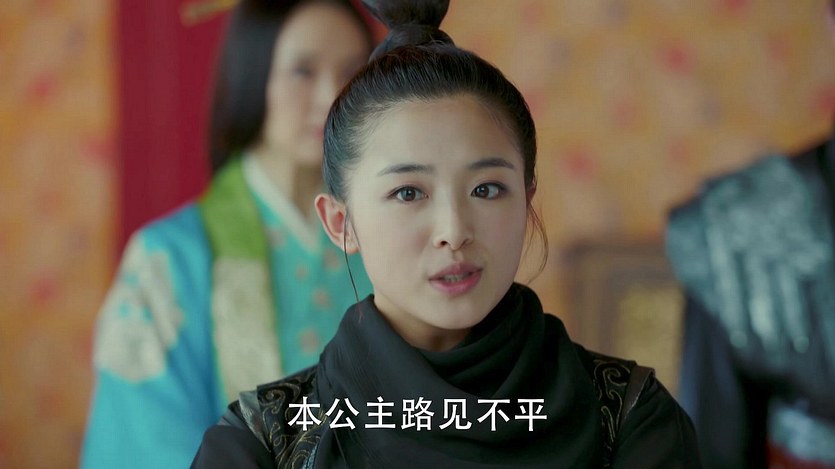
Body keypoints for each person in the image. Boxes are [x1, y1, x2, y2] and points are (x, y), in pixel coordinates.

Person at [191, 0, 701, 467]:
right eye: (408, 193)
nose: (454, 232)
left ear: (527, 199)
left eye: (486, 189)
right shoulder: (263, 442)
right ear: (341, 222)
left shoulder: (630, 417)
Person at [81, 1, 374, 467]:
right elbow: (146, 442)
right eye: (303, 71)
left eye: (351, 71)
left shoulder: (392, 239)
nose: (331, 95)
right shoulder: (169, 260)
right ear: (252, 75)